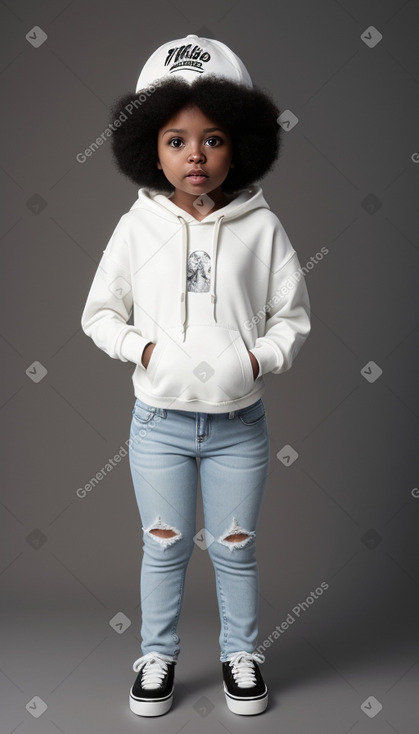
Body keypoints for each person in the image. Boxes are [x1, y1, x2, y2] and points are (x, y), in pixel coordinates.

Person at [81, 34, 311, 718]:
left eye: (212, 139)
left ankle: (242, 655)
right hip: (158, 424)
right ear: (150, 146)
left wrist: (252, 360)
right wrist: (144, 352)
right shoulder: (136, 226)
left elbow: (291, 319)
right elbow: (97, 313)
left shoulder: (262, 227)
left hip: (239, 424)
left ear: (237, 142)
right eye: (176, 140)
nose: (195, 156)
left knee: (235, 549)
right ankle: (156, 656)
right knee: (163, 547)